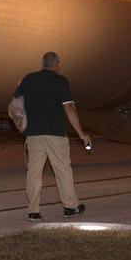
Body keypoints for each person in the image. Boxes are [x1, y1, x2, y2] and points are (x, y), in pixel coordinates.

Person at [12, 51, 92, 221]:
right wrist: (81, 134)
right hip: (55, 134)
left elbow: (16, 103)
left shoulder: (29, 79)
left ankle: (33, 211)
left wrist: (23, 127)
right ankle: (70, 208)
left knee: (34, 173)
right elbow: (69, 109)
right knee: (62, 170)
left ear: (43, 64)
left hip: (33, 135)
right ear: (56, 64)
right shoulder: (60, 81)